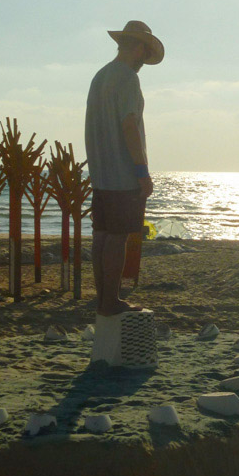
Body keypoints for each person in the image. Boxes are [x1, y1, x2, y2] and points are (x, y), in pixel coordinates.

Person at [85, 20, 165, 316]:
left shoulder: (101, 76)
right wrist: (142, 171)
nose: (145, 60)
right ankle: (110, 301)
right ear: (139, 47)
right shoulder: (128, 78)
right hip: (122, 173)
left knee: (102, 237)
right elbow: (130, 125)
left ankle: (103, 299)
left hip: (100, 172)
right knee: (116, 238)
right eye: (145, 52)